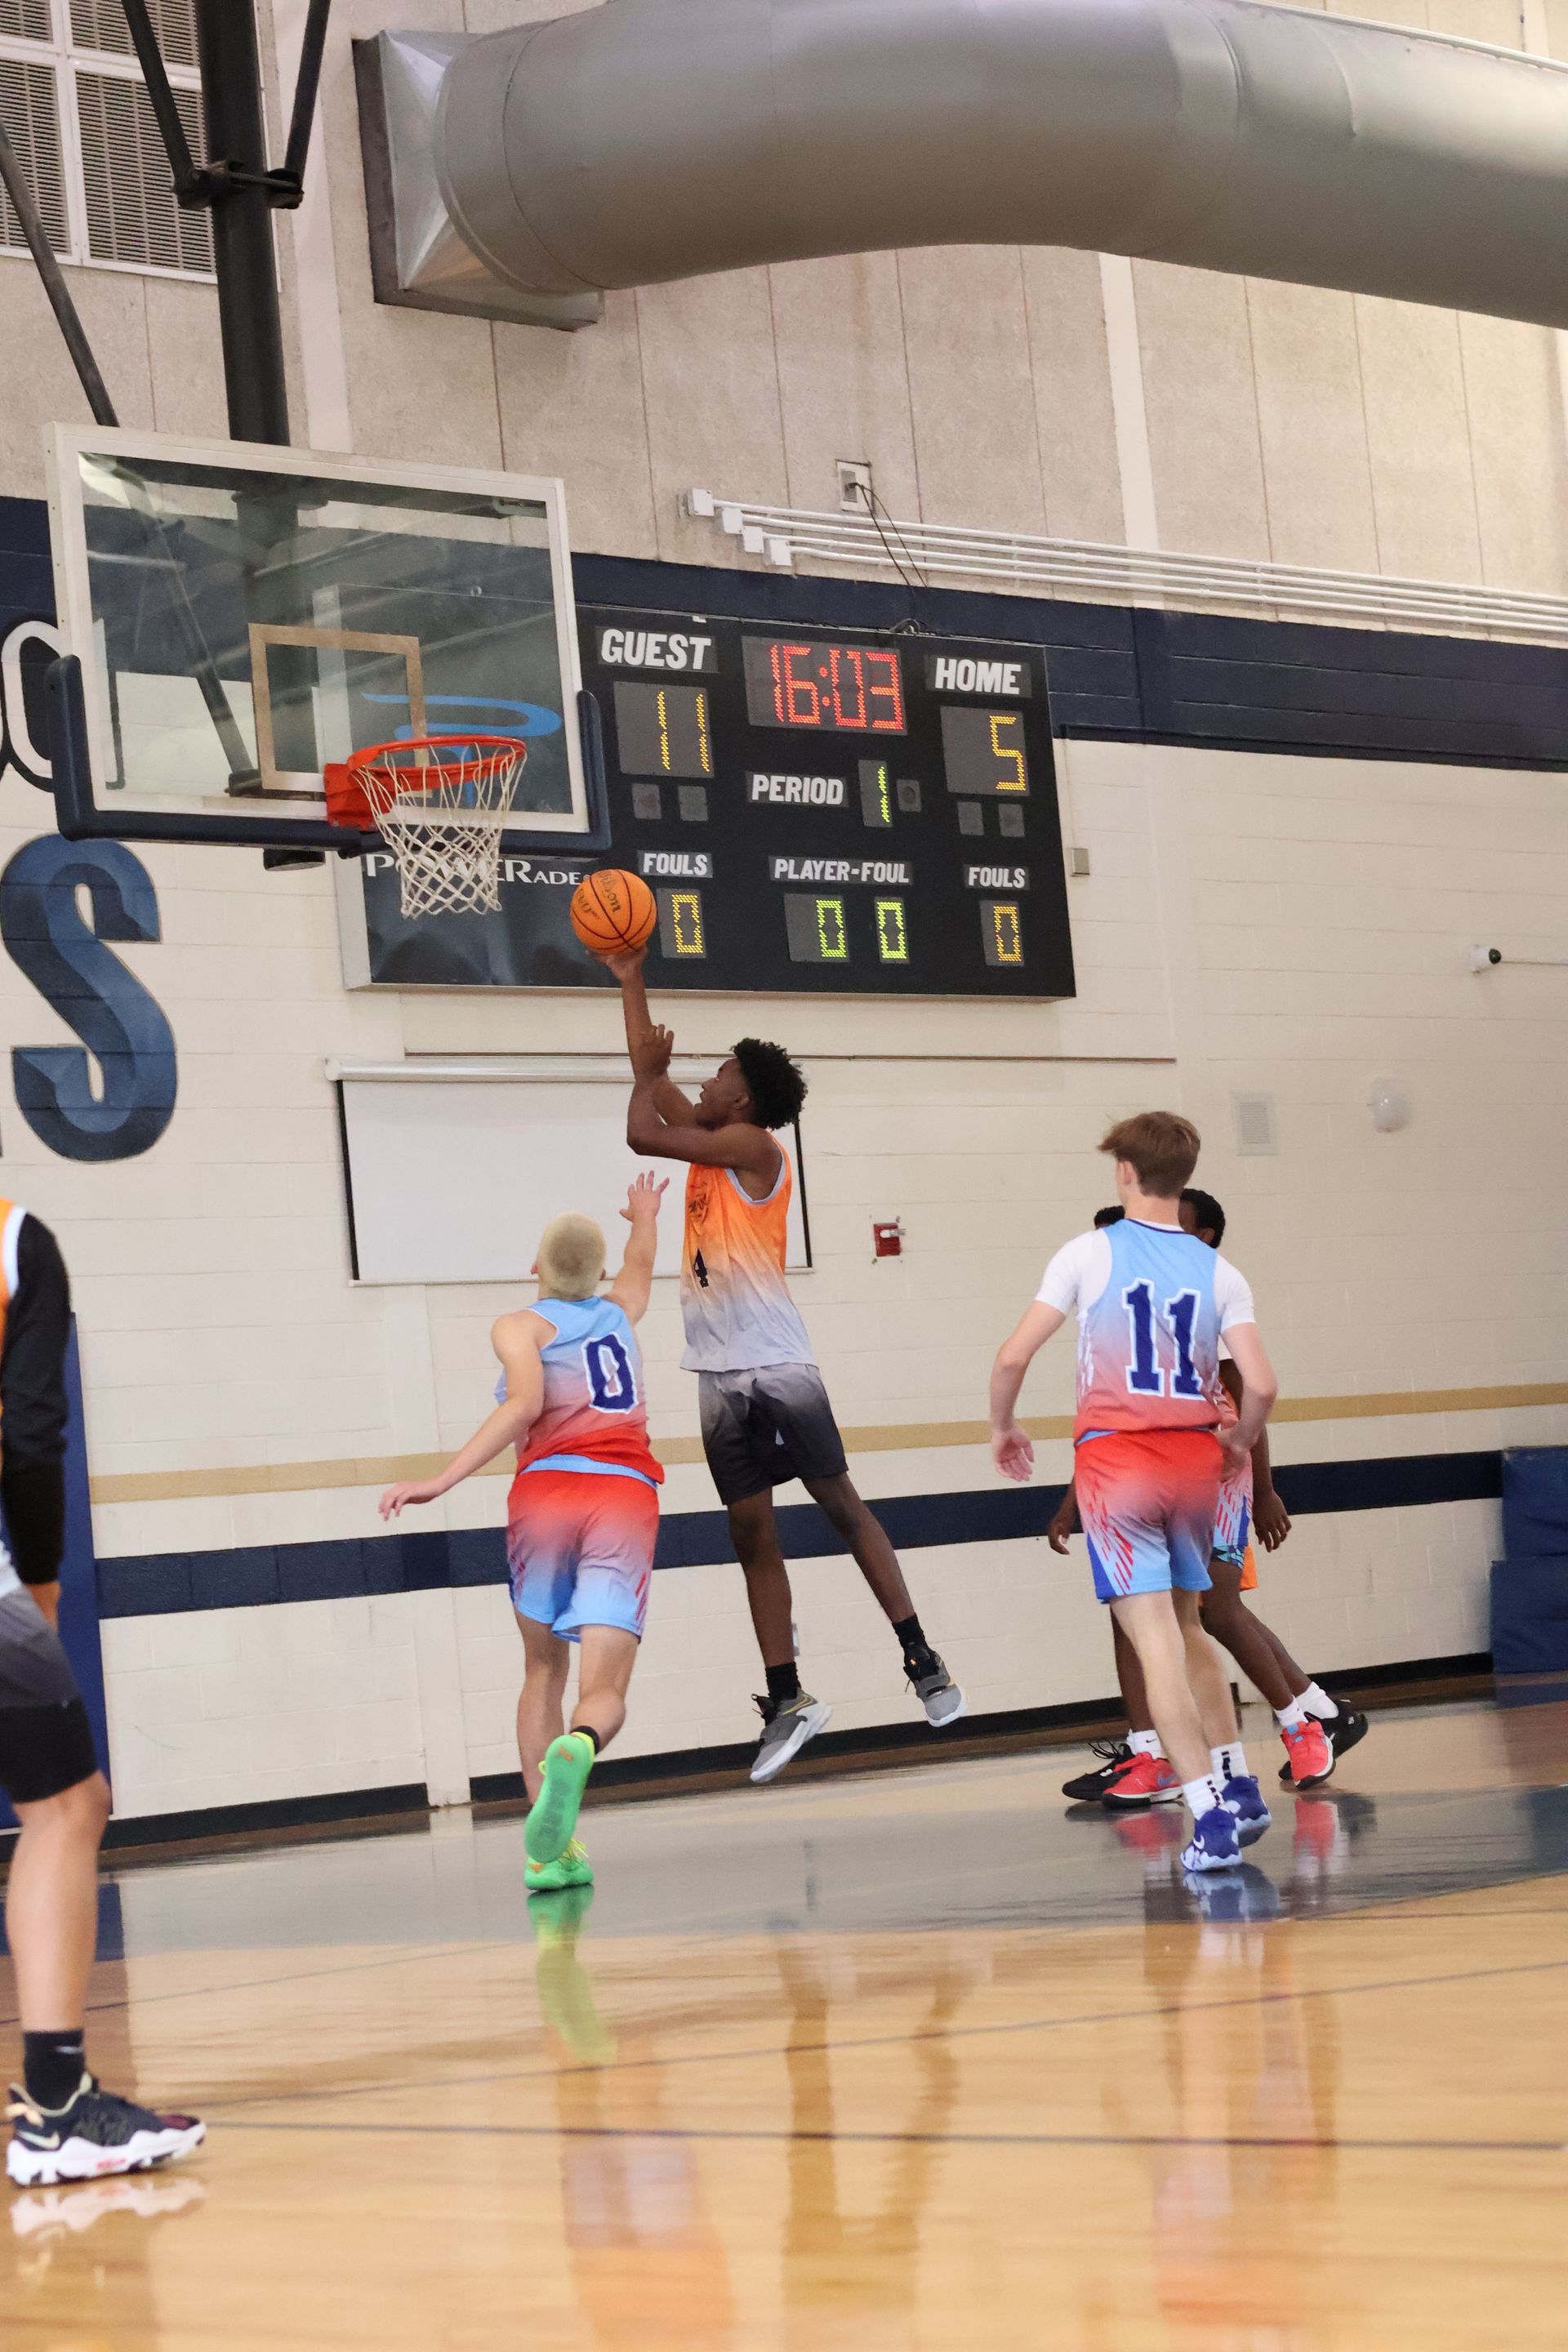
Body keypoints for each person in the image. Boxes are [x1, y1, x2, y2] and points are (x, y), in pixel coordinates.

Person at [602, 947, 963, 1784]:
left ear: (744, 1098)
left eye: (722, 1071)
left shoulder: (754, 1146)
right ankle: (789, 1697)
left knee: (839, 1505)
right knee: (749, 1531)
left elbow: (641, 1125)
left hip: (774, 1361)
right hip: (716, 1371)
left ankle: (920, 1654)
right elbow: (655, 1082)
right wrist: (630, 979)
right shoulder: (711, 1137)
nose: (708, 1076)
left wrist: (647, 1078)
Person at [989, 1112, 1278, 1872]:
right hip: (1194, 1461)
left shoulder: (1089, 1252)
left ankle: (1209, 1816)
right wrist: (1240, 1443)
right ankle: (1239, 1783)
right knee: (1188, 1626)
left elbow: (1013, 1356)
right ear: (1185, 1177)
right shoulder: (1219, 1270)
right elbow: (1262, 1384)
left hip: (1118, 1462)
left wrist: (1004, 1427)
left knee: (1154, 1644)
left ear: (1124, 1171)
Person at [381, 1176, 667, 1890]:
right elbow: (639, 1264)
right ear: (598, 1274)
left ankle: (548, 1852)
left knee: (542, 1669)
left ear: (534, 1266)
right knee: (604, 1687)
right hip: (623, 1494)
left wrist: (441, 1480)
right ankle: (582, 1743)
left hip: (545, 1495)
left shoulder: (518, 1327)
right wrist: (646, 1215)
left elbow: (525, 1404)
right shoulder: (620, 1312)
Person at [4, 1205, 204, 2186]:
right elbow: (34, 1433)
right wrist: (39, 1583)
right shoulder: (15, 1243)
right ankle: (56, 2106)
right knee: (67, 1806)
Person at [1056, 1190, 1364, 1804]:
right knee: (1146, 1614)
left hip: (1208, 1469)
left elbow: (1247, 1396)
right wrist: (1075, 1499)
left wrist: (1265, 1489)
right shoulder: (1115, 1318)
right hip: (1148, 1470)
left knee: (1206, 1613)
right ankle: (1172, 1750)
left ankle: (1293, 1727)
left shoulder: (1197, 1296)